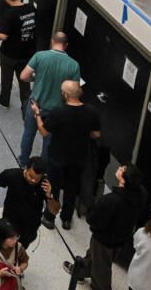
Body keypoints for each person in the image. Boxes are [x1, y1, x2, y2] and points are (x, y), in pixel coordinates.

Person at [32, 80, 100, 227]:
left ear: (65, 94)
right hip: (78, 158)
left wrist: (37, 114)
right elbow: (96, 134)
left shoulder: (59, 112)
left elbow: (43, 131)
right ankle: (66, 219)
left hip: (57, 156)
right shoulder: (92, 111)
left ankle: (50, 215)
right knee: (71, 187)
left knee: (53, 187)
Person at [73, 165, 148, 290]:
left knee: (102, 266)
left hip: (104, 239)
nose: (119, 168)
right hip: (121, 238)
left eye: (122, 170)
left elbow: (93, 219)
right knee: (94, 255)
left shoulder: (111, 200)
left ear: (124, 180)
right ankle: (82, 271)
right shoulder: (140, 197)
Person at [18, 31, 81, 164]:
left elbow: (23, 76)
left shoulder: (40, 56)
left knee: (28, 134)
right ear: (66, 45)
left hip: (36, 104)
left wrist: (35, 78)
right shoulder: (74, 65)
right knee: (49, 140)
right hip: (57, 110)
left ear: (52, 41)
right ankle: (43, 168)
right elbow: (75, 91)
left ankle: (23, 162)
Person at [0, 157, 59, 250]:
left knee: (18, 252)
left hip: (29, 229)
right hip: (9, 224)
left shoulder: (46, 185)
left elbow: (54, 210)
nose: (33, 180)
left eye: (37, 179)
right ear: (26, 168)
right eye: (31, 176)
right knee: (2, 249)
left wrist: (49, 196)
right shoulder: (13, 175)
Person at [0, 0, 36, 108]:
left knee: (7, 79)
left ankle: (5, 99)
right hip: (27, 54)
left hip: (9, 54)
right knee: (24, 81)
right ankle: (25, 104)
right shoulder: (31, 8)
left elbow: (3, 36)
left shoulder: (10, 14)